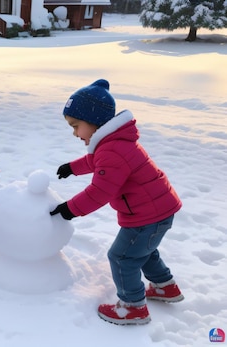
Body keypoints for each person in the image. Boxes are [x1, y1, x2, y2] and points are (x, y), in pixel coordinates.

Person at [49, 79, 184, 325]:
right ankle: (165, 287)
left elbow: (100, 191)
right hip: (157, 210)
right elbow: (97, 162)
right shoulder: (114, 144)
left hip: (147, 216)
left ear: (94, 122)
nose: (74, 133)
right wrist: (72, 167)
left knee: (122, 257)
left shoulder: (112, 151)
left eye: (76, 126)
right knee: (143, 251)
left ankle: (132, 307)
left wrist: (69, 209)